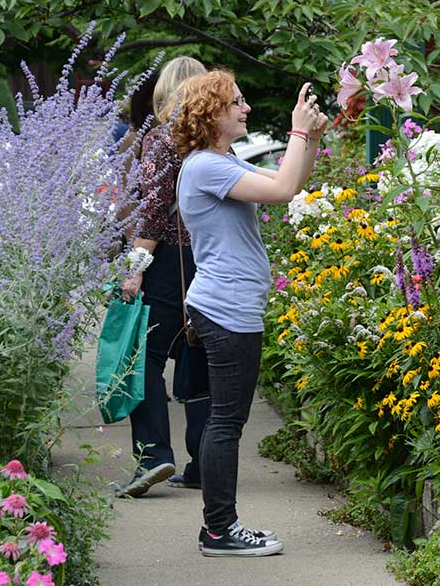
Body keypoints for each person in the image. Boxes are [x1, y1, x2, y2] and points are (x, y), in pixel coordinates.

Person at [171, 71, 327, 557]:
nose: (246, 109)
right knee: (225, 422)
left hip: (231, 306)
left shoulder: (219, 160)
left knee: (226, 420)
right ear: (211, 114)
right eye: (237, 102)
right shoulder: (204, 168)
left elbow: (291, 183)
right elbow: (282, 190)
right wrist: (298, 131)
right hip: (225, 308)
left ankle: (221, 527)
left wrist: (312, 138)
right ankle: (219, 530)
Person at [117, 56, 210, 497]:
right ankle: (205, 462)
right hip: (210, 260)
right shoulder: (215, 143)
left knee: (145, 357)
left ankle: (153, 455)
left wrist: (133, 270)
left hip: (169, 261)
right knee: (199, 358)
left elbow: (153, 213)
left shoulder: (162, 138)